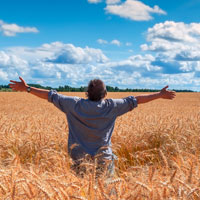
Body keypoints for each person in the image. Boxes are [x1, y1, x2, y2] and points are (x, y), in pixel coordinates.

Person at [9, 77, 176, 177]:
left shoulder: (73, 104)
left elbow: (50, 95)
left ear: (86, 93)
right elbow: (137, 99)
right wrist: (160, 95)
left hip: (78, 158)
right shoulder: (112, 106)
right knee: (106, 191)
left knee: (81, 192)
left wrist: (27, 88)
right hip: (103, 158)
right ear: (105, 95)